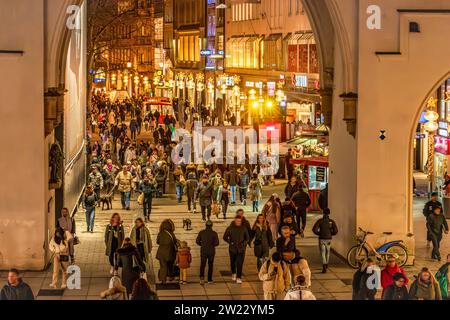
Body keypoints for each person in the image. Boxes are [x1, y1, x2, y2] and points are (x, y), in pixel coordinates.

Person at [223, 215, 250, 284]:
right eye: (237, 221)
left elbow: (247, 238)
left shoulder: (243, 228)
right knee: (233, 262)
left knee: (240, 263)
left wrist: (243, 243)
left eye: (239, 221)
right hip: (232, 249)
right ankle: (233, 273)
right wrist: (230, 242)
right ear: (235, 221)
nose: (238, 222)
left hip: (241, 249)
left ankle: (239, 277)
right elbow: (225, 237)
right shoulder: (230, 228)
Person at [312, 208, 338, 273]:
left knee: (323, 252)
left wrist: (319, 233)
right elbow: (335, 231)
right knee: (328, 252)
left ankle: (324, 265)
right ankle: (326, 264)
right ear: (329, 213)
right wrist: (331, 234)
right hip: (329, 239)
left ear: (323, 213)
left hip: (322, 238)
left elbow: (314, 229)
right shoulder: (331, 221)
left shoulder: (320, 221)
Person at [196, 220, 220, 285]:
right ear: (212, 225)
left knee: (202, 265)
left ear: (206, 225)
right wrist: (212, 245)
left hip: (203, 251)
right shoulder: (214, 233)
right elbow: (217, 243)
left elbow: (197, 241)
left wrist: (203, 244)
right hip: (211, 251)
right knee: (210, 265)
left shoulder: (201, 232)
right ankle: (209, 279)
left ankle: (201, 278)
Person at [156, 219, 178, 284]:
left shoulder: (160, 233)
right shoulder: (171, 233)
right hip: (170, 252)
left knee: (163, 266)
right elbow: (175, 241)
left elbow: (158, 242)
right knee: (170, 265)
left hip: (161, 252)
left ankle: (163, 280)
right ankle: (171, 276)